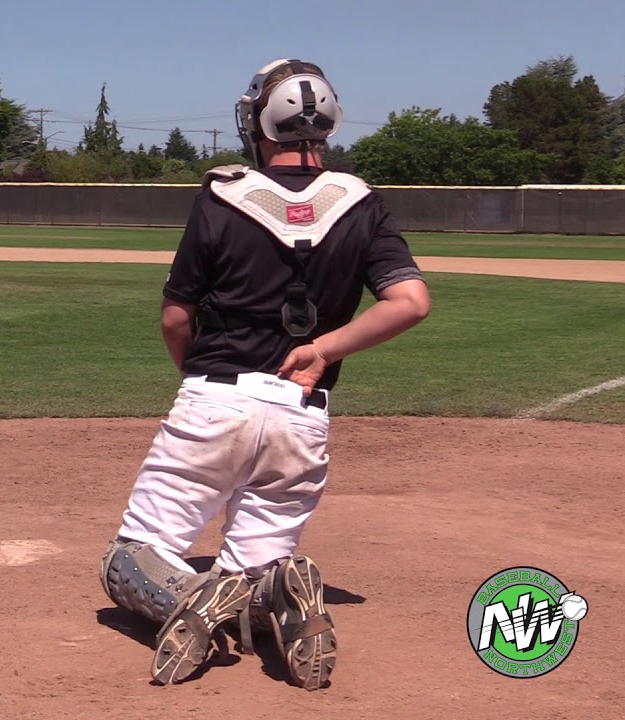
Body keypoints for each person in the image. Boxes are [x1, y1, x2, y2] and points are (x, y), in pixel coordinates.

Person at [99, 59, 431, 690]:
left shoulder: (222, 195)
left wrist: (197, 378)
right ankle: (278, 597)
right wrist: (322, 349)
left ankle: (189, 600)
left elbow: (176, 318)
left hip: (216, 398)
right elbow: (410, 302)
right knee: (254, 569)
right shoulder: (361, 203)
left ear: (260, 121)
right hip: (301, 417)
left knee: (129, 560)